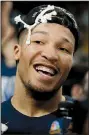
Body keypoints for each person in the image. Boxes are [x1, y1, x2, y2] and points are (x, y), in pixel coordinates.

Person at [1, 4, 79, 134]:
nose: (51, 55)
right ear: (17, 51)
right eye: (38, 41)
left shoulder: (81, 120)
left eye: (63, 49)